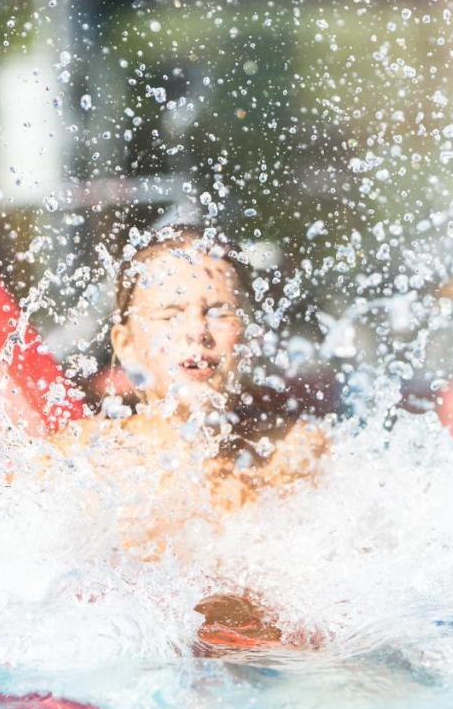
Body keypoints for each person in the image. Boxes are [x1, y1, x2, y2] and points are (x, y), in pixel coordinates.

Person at [50, 223, 329, 651]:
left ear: (247, 340)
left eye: (219, 312)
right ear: (126, 345)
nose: (197, 331)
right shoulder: (86, 461)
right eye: (169, 315)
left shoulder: (291, 456)